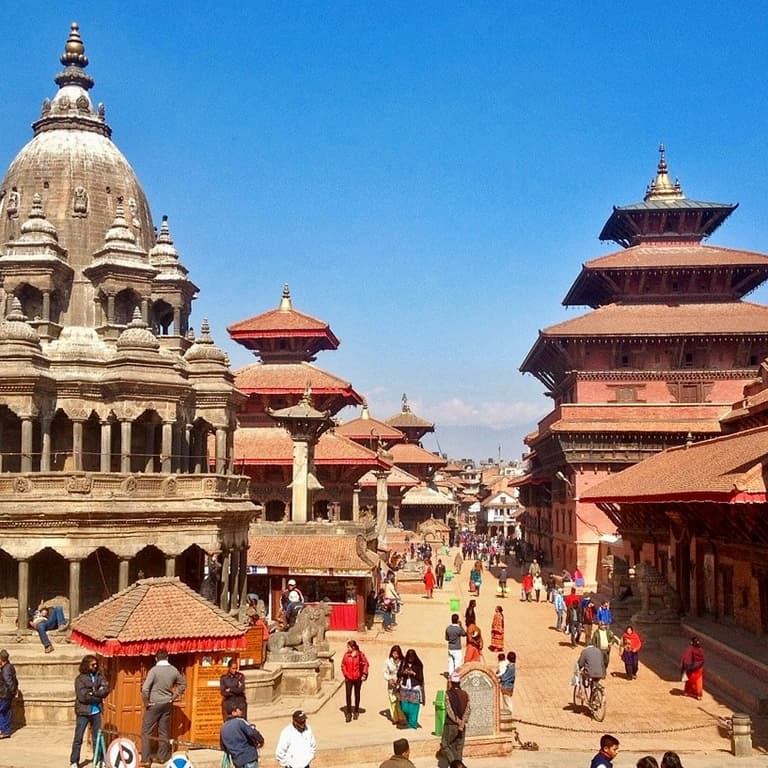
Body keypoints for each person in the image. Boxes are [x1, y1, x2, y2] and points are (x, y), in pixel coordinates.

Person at [140, 648, 187, 767]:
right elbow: (183, 684)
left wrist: (146, 702)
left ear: (156, 658)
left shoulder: (154, 671)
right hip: (167, 703)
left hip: (154, 704)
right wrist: (174, 696)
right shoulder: (173, 670)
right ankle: (162, 757)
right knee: (163, 731)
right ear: (167, 657)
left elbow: (145, 689)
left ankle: (145, 759)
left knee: (146, 731)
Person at [69, 654, 110, 768]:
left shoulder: (99, 676)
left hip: (96, 712)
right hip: (83, 712)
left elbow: (106, 690)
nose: (95, 666)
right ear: (87, 665)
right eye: (93, 665)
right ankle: (74, 761)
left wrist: (94, 693)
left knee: (97, 737)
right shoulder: (80, 679)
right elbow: (83, 697)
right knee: (78, 737)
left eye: (96, 664)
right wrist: (97, 696)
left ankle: (98, 759)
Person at [437, 672, 470, 768]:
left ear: (451, 682)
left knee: (445, 744)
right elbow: (468, 710)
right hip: (462, 726)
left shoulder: (448, 694)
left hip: (451, 724)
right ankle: (459, 765)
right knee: (459, 747)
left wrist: (457, 721)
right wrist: (462, 723)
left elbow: (449, 711)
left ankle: (454, 765)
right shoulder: (465, 694)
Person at [220, 700, 264, 768]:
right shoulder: (240, 722)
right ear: (233, 712)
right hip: (249, 757)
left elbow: (223, 746)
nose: (241, 711)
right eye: (239, 710)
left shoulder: (223, 727)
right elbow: (252, 732)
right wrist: (261, 741)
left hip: (237, 761)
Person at [341, 639, 369, 722]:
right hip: (348, 678)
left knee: (357, 694)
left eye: (348, 647)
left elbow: (366, 664)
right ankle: (349, 713)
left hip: (358, 678)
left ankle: (356, 710)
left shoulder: (360, 655)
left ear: (353, 647)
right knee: (348, 695)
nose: (347, 648)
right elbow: (343, 665)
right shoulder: (346, 655)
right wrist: (345, 674)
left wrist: (364, 674)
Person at [397, 648, 424, 729]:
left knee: (413, 707)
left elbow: (421, 678)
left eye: (412, 657)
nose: (410, 659)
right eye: (409, 657)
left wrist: (414, 673)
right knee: (404, 707)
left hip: (414, 688)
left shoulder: (418, 665)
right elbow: (398, 674)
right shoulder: (403, 663)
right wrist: (404, 672)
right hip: (404, 687)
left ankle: (412, 724)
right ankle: (409, 719)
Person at [384, 645, 406, 725]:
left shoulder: (403, 661)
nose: (395, 655)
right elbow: (385, 672)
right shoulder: (388, 661)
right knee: (393, 700)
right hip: (392, 683)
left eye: (396, 653)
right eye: (394, 653)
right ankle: (395, 718)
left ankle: (402, 718)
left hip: (401, 683)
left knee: (400, 701)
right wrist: (389, 679)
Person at [0, 649, 19, 739]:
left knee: (1, 711)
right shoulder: (10, 666)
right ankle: (6, 730)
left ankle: (4, 730)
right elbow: (15, 680)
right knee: (6, 711)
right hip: (8, 694)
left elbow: (9, 682)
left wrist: (13, 691)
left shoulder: (5, 670)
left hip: (4, 694)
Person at [680, 636, 705, 700]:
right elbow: (702, 659)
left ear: (691, 642)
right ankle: (698, 695)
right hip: (699, 668)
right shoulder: (700, 650)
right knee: (698, 681)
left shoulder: (690, 649)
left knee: (689, 680)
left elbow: (686, 658)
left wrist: (684, 667)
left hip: (691, 668)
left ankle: (687, 692)